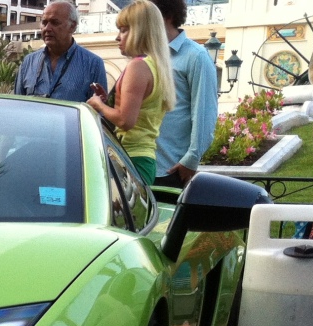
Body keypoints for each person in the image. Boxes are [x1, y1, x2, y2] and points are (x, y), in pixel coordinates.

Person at [87, 0, 174, 184]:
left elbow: (125, 121)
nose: (118, 37)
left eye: (124, 30)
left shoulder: (138, 66)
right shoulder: (155, 65)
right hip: (144, 158)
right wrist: (111, 102)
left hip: (130, 158)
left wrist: (98, 105)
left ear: (141, 31)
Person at [151, 0, 218, 188]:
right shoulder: (147, 55)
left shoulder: (196, 56)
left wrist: (191, 159)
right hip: (141, 166)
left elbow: (204, 111)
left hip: (171, 169)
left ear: (168, 16)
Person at [14, 0, 106, 101]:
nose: (47, 28)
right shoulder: (28, 62)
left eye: (55, 23)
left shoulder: (93, 64)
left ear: (73, 26)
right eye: (44, 23)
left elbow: (98, 111)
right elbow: (18, 106)